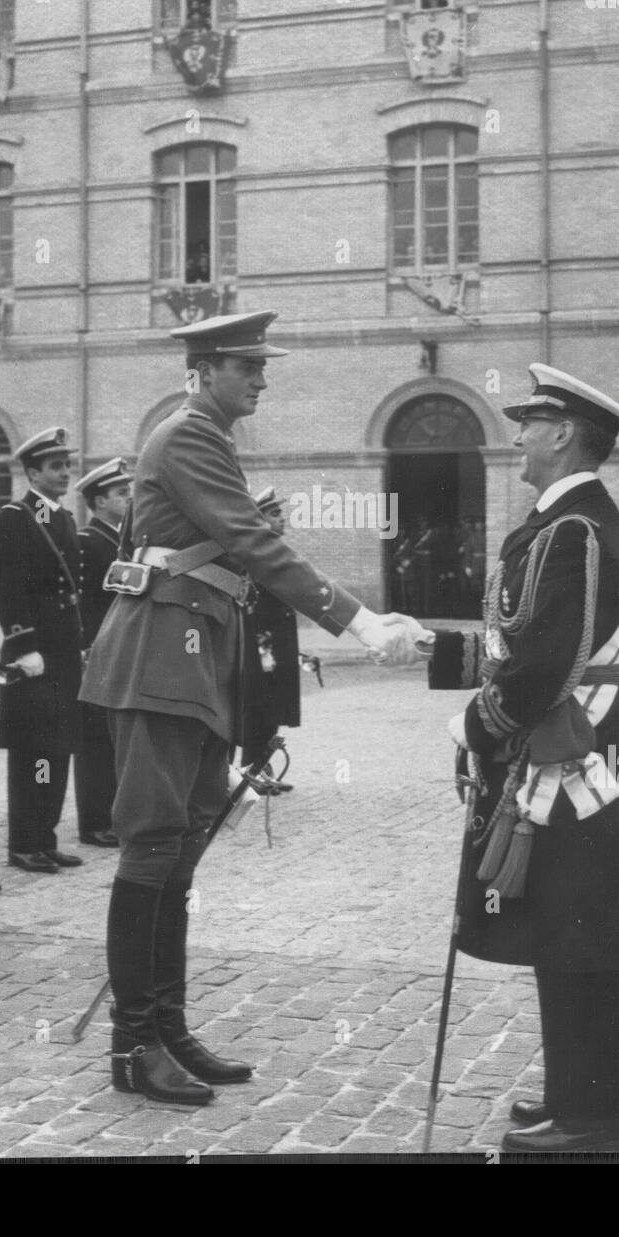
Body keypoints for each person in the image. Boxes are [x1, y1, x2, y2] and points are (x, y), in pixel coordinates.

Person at [80, 310, 420, 1107]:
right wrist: (360, 620)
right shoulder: (189, 434)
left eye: (261, 366)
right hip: (161, 661)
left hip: (189, 660)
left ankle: (166, 1025)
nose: (262, 379)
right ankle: (133, 1046)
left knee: (181, 849)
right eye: (248, 367)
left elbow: (231, 560)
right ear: (203, 372)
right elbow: (254, 544)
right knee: (155, 848)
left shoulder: (201, 438)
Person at [409, 364, 619, 1154]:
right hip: (559, 751)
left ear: (562, 433)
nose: (517, 434)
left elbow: (543, 666)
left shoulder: (575, 531)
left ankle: (594, 1121)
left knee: (581, 931)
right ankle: (573, 1095)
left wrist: (473, 727)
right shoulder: (559, 523)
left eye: (530, 421)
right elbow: (517, 640)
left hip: (575, 759)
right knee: (562, 929)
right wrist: (435, 646)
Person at [0, 427, 84, 874]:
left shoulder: (62, 518)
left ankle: (45, 837)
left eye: (67, 465)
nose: (65, 473)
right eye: (55, 466)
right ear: (32, 472)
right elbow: (8, 587)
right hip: (35, 655)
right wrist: (22, 643)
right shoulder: (15, 516)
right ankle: (24, 843)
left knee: (57, 747)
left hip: (64, 653)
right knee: (33, 751)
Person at [73, 456, 131, 848]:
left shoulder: (121, 541)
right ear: (99, 502)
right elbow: (81, 602)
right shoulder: (87, 541)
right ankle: (94, 821)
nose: (129, 500)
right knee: (94, 740)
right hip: (97, 650)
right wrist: (84, 646)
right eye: (121, 494)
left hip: (120, 649)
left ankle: (114, 813)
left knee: (114, 737)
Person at [239, 486, 301, 789]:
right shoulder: (256, 553)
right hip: (263, 643)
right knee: (259, 708)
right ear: (259, 519)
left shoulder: (275, 550)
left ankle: (263, 769)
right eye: (274, 514)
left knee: (274, 706)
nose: (281, 519)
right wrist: (262, 645)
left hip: (279, 640)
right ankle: (250, 771)